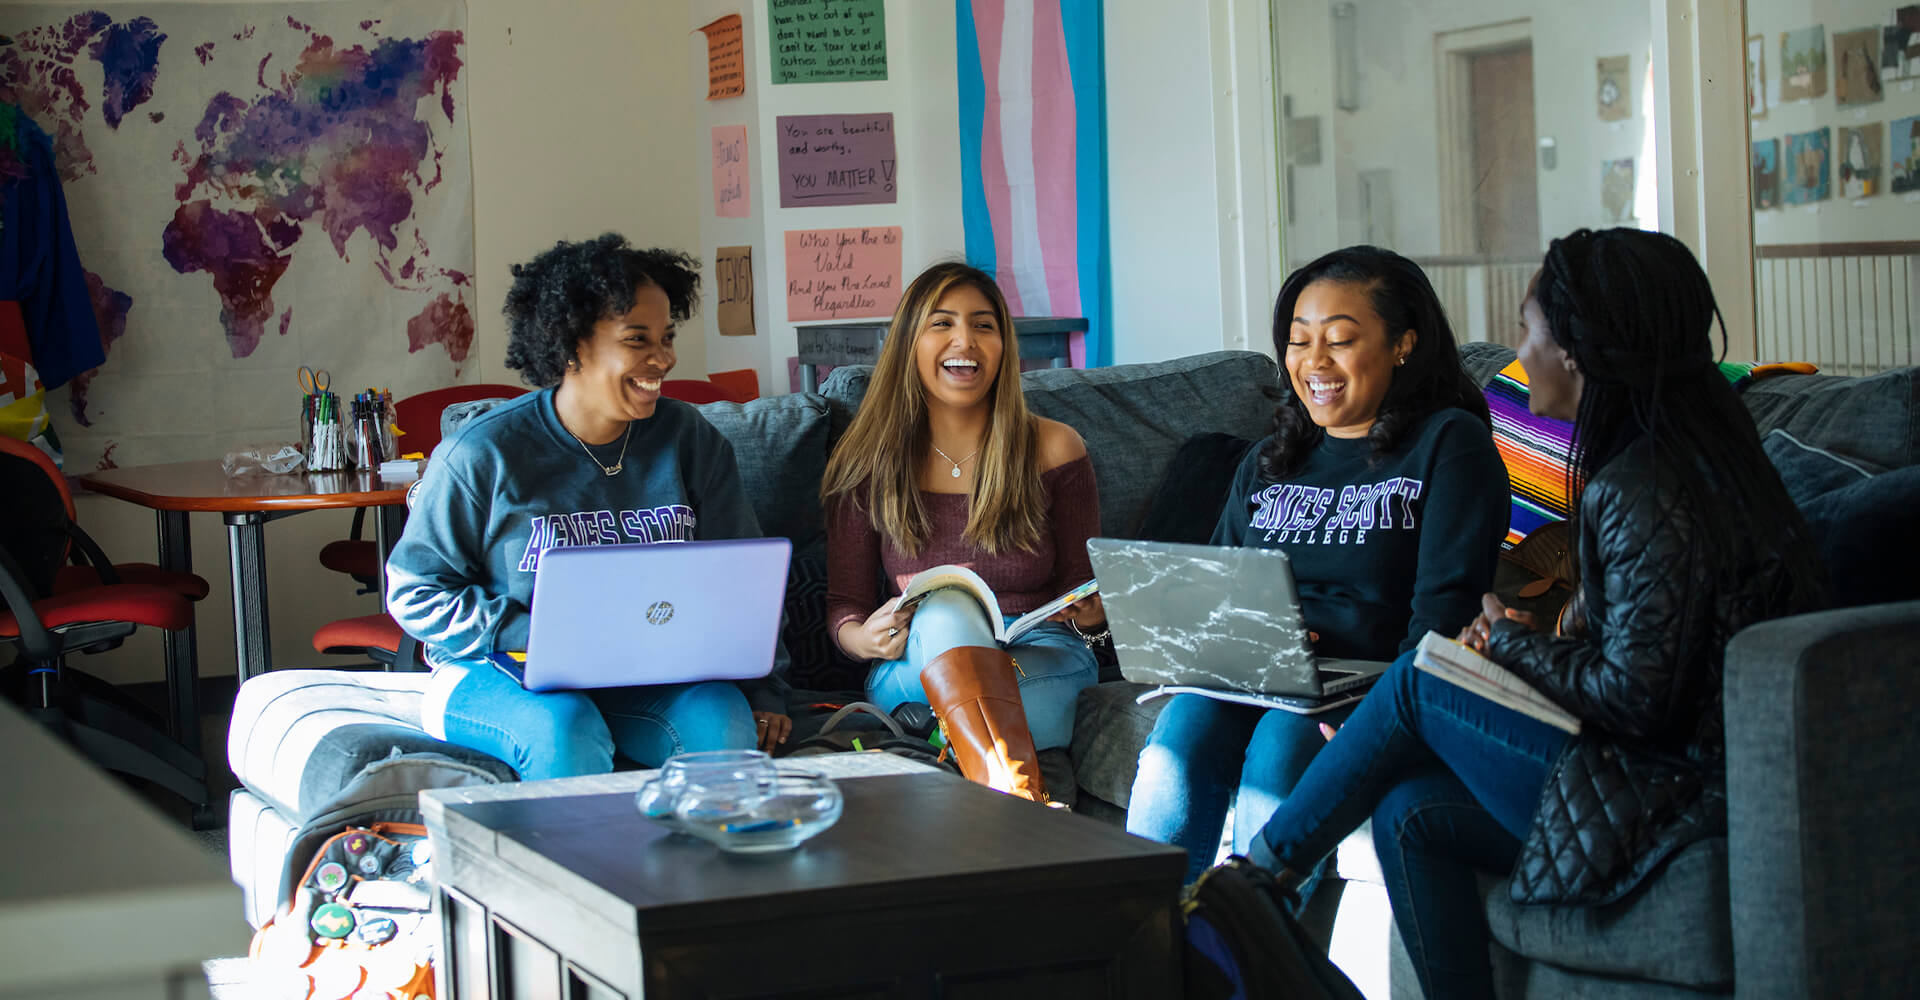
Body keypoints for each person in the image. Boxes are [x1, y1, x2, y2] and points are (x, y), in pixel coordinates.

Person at [1244, 228, 1828, 999]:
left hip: (1665, 790)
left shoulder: (1645, 488)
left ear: (1579, 351)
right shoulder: (1685, 458)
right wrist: (1525, 637)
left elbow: (1638, 698)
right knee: (1410, 810)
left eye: (1531, 331)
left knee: (1423, 680)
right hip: (1659, 768)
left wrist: (1513, 651)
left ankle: (1254, 887)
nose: (1518, 357)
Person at [1125, 245, 1509, 895]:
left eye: (1339, 340)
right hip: (1260, 672)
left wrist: (1388, 723)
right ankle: (1140, 946)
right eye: (1299, 342)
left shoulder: (1448, 444)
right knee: (1183, 729)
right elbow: (1219, 586)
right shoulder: (1269, 460)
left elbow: (1444, 612)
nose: (1314, 363)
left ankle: (1252, 951)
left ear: (1404, 345)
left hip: (1371, 681)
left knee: (1282, 735)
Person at [387, 233, 790, 780]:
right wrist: (533, 632)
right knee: (565, 728)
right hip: (496, 671)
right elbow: (415, 592)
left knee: (720, 718)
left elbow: (745, 581)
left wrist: (763, 689)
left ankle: (695, 866)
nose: (664, 359)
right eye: (638, 340)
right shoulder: (483, 453)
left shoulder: (689, 440)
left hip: (643, 672)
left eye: (667, 338)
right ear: (573, 344)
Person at [822, 261, 1103, 803]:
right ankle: (1020, 800)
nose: (965, 341)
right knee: (949, 609)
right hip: (916, 658)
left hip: (1036, 653)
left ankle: (940, 749)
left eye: (983, 325)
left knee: (980, 703)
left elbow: (1083, 586)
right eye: (942, 323)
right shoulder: (866, 461)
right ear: (909, 343)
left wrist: (1093, 612)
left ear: (1004, 346)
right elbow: (844, 605)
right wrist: (861, 637)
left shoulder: (1056, 447)